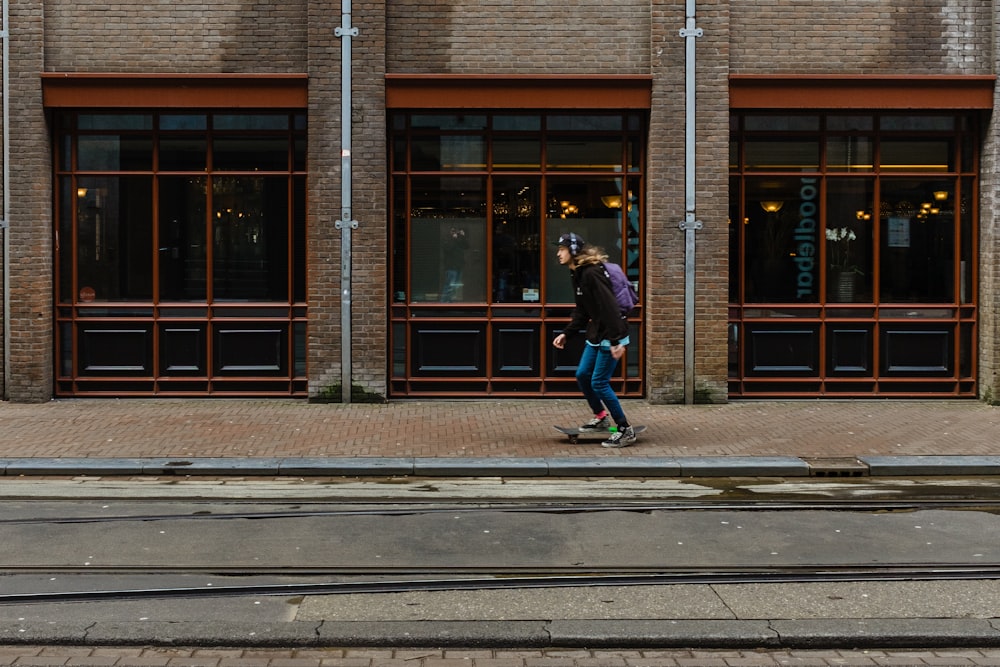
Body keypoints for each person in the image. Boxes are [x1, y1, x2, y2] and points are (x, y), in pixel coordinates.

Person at [551, 232, 637, 448]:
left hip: (611, 333)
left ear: (572, 251)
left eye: (561, 249)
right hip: (597, 331)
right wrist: (567, 333)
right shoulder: (577, 274)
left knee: (599, 382)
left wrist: (617, 340)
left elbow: (609, 306)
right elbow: (582, 310)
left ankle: (625, 429)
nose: (558, 253)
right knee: (583, 374)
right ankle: (600, 417)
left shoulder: (592, 274)